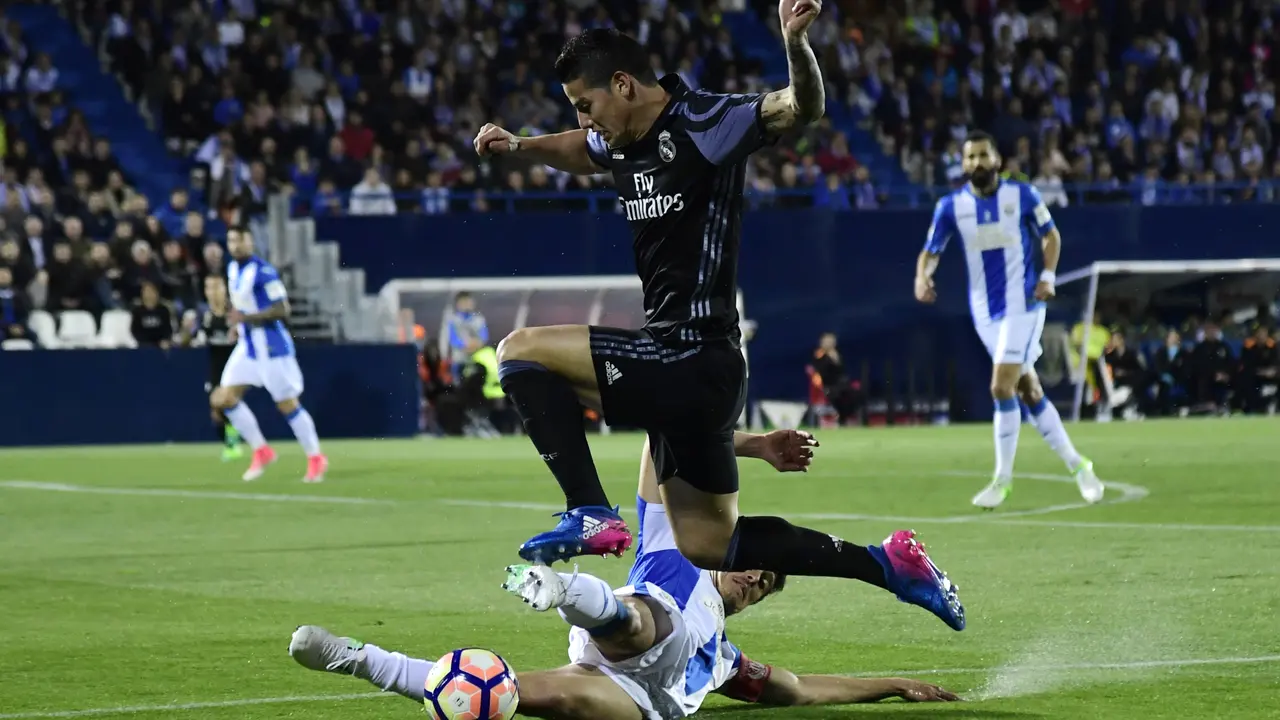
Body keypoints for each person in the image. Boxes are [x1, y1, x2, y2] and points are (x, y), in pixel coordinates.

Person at [473, 8, 962, 631]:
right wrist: (521, 145)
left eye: (584, 102)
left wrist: (793, 43)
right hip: (697, 375)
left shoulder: (704, 121)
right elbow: (580, 149)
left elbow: (798, 108)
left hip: (692, 353)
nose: (583, 119)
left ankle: (590, 509)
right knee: (707, 543)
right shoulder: (617, 138)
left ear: (623, 84)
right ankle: (887, 564)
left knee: (520, 351)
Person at [288, 430, 961, 719]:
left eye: (768, 584)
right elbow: (658, 442)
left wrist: (895, 684)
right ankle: (567, 593)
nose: (760, 576)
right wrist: (753, 446)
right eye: (761, 567)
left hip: (629, 700)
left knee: (503, 696)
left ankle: (362, 660)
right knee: (641, 621)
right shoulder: (680, 543)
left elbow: (805, 690)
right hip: (625, 624)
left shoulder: (726, 660)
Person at [914, 131, 1104, 510]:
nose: (977, 163)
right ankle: (1079, 466)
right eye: (970, 157)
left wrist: (1048, 277)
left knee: (1001, 387)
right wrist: (923, 276)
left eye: (984, 155)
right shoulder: (951, 207)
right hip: (985, 315)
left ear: (997, 159)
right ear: (963, 164)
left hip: (1025, 307)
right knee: (1028, 390)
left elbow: (1051, 236)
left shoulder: (1022, 195)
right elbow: (930, 251)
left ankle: (1001, 482)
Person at [208, 226, 328, 483]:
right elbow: (243, 308)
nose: (235, 245)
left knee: (287, 405)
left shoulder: (263, 272)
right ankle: (262, 450)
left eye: (240, 240)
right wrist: (238, 326)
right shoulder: (232, 269)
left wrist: (246, 318)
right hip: (248, 348)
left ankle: (316, 458)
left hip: (272, 349)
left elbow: (283, 309)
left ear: (251, 242)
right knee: (223, 398)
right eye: (230, 240)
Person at [188, 274, 243, 461]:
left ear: (224, 289)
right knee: (216, 412)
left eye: (217, 287)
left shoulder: (234, 313)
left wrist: (240, 331)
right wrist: (186, 330)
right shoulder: (204, 315)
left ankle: (234, 445)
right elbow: (190, 339)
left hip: (234, 367)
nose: (213, 292)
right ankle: (233, 442)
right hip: (215, 366)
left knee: (225, 404)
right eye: (209, 287)